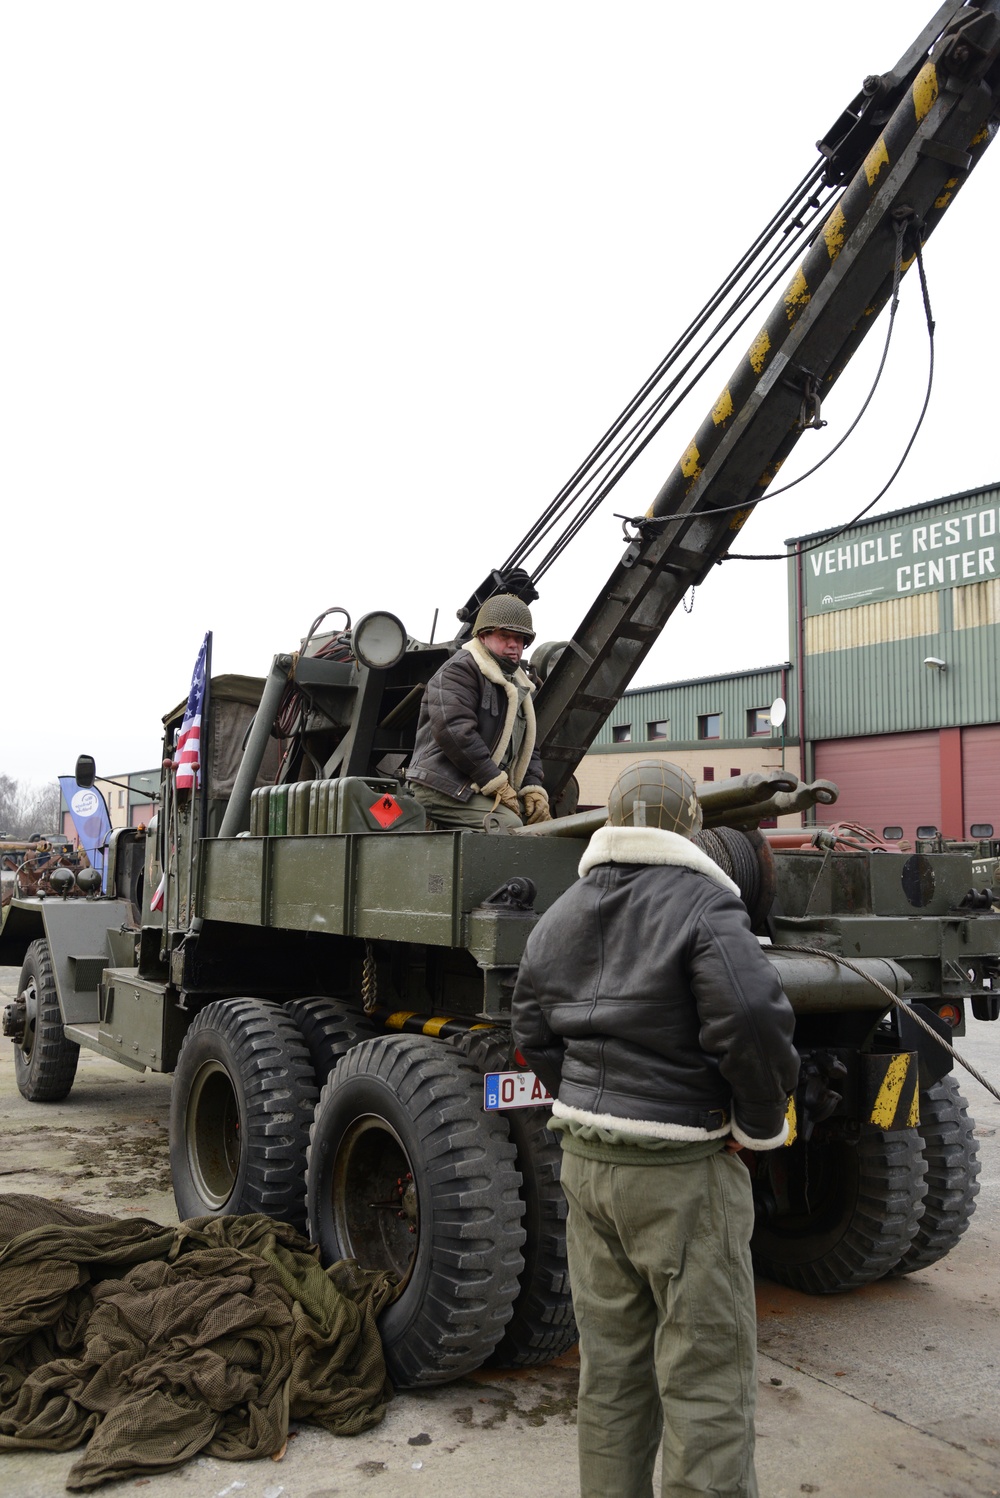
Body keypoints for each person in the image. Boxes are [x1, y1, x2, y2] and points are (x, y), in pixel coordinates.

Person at [511, 759, 800, 1498]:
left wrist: (579, 1098)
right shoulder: (705, 904)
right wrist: (757, 1124)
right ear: (688, 829)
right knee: (706, 1375)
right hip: (680, 1173)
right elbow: (755, 1021)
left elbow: (529, 1023)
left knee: (611, 1372)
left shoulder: (562, 911)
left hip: (587, 1164)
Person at [406, 593, 552, 830]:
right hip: (442, 786)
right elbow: (455, 731)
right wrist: (495, 782)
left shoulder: (516, 685)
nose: (514, 644)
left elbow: (528, 748)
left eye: (520, 638)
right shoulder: (459, 671)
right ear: (483, 636)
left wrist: (533, 789)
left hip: (477, 785)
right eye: (505, 636)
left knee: (543, 825)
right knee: (509, 826)